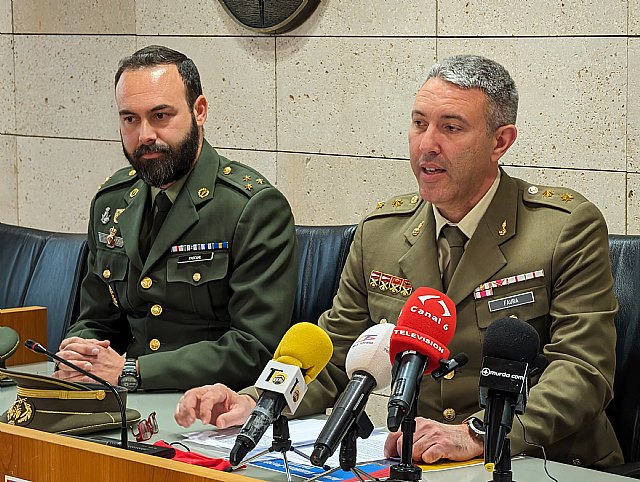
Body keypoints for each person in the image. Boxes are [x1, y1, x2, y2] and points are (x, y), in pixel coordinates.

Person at [174, 55, 623, 468]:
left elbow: (582, 369)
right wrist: (257, 401)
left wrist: (479, 433)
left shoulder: (563, 229)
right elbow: (336, 356)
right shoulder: (382, 233)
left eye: (451, 128)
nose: (427, 144)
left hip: (544, 463)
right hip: (422, 463)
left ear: (500, 141)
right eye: (419, 123)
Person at [53, 45, 297, 392]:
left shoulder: (252, 208)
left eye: (160, 116)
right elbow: (96, 318)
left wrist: (134, 371)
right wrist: (79, 352)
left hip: (208, 404)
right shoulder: (112, 201)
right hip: (121, 398)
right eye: (130, 119)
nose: (145, 135)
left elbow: (254, 349)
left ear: (200, 111)